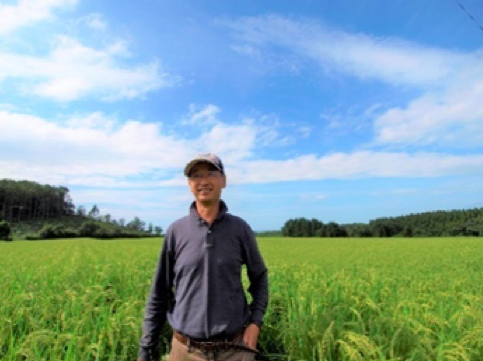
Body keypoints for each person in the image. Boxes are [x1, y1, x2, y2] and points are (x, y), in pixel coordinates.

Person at [138, 153, 269, 361]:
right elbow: (159, 292)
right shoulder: (176, 231)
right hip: (185, 350)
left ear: (223, 181)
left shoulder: (240, 229)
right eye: (196, 176)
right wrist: (146, 348)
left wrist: (255, 323)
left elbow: (259, 277)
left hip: (235, 350)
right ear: (190, 184)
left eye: (211, 174)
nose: (204, 181)